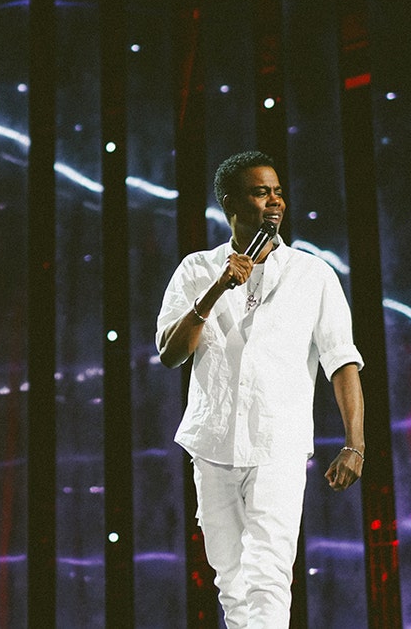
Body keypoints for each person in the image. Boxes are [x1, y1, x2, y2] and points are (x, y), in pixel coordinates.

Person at [155, 151, 365, 627]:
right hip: (212, 445)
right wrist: (217, 288)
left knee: (268, 575)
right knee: (231, 581)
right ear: (231, 202)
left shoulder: (313, 275)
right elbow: (171, 352)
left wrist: (355, 444)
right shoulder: (195, 269)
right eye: (260, 192)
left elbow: (342, 361)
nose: (275, 201)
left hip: (278, 445)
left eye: (277, 191)